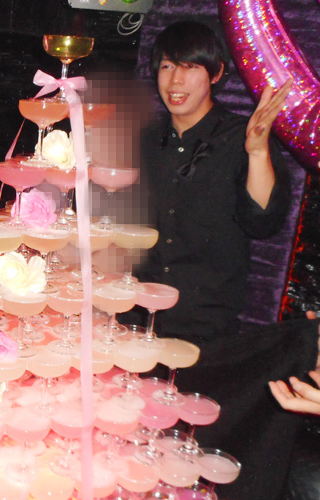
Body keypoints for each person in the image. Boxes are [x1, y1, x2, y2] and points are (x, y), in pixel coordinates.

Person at [133, 21, 320, 500]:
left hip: (205, 325)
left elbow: (263, 221)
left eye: (190, 67)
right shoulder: (145, 140)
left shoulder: (243, 136)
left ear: (216, 73)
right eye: (167, 67)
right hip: (138, 323)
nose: (176, 80)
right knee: (136, 447)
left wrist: (257, 152)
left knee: (189, 449)